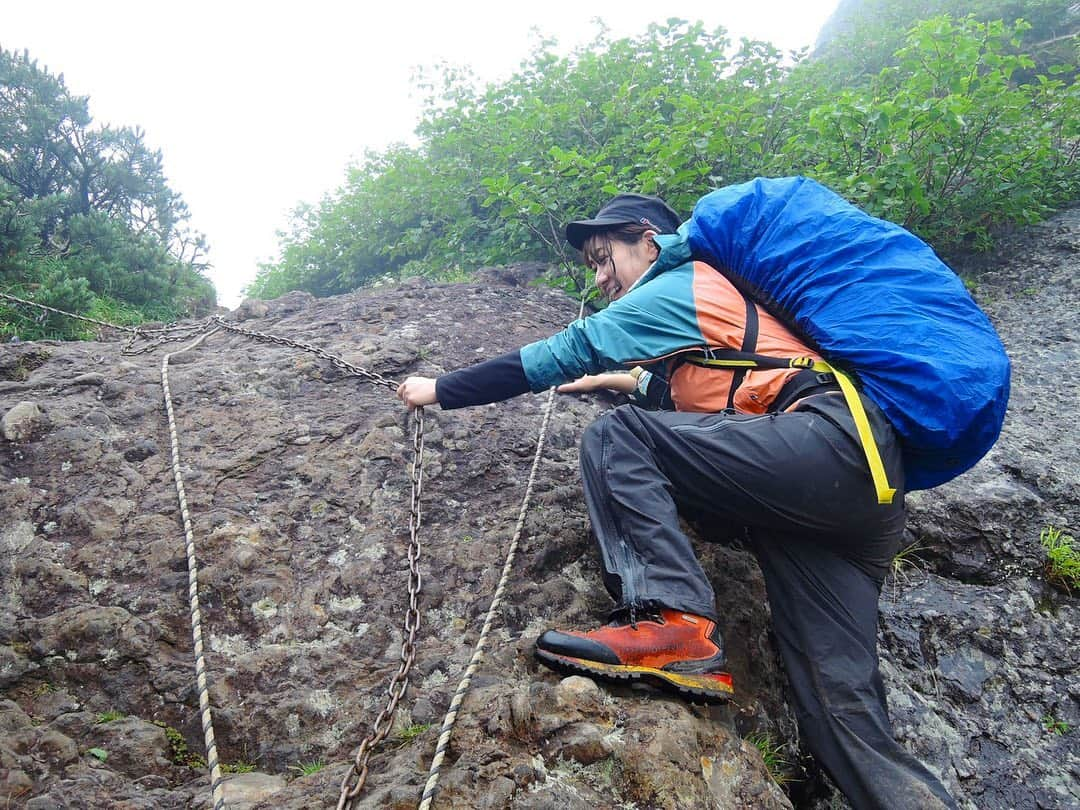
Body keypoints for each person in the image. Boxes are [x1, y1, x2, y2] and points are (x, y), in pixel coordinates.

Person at [396, 191, 958, 810]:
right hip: (853, 493)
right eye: (591, 266)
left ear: (648, 239)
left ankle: (675, 623)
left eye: (603, 255)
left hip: (827, 439)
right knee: (838, 710)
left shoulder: (680, 282)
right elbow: (705, 388)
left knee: (617, 436)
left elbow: (566, 352)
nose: (600, 276)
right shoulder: (706, 313)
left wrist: (439, 389)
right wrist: (622, 379)